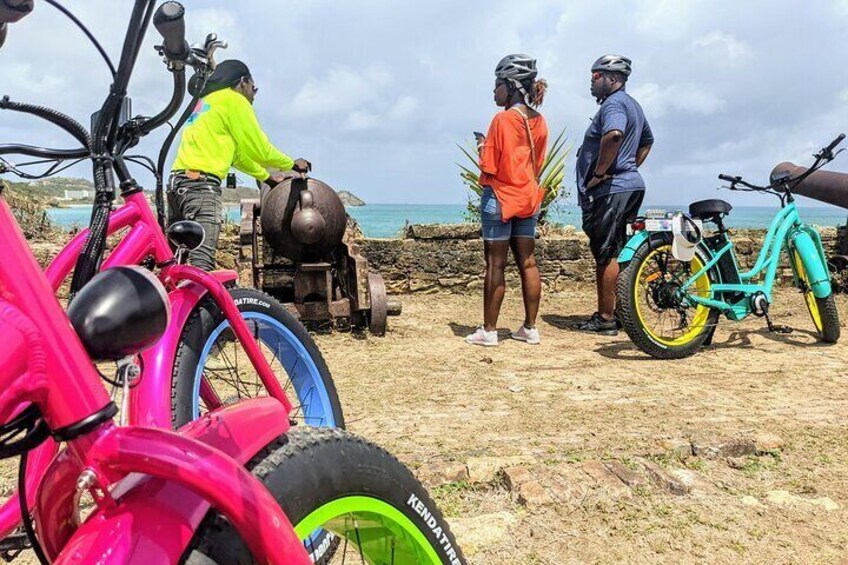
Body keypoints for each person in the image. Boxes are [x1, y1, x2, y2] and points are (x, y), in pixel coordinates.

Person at [168, 59, 311, 271]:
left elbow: (238, 155)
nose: (254, 95)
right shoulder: (234, 100)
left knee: (175, 257)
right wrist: (292, 163)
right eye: (254, 88)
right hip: (201, 188)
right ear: (243, 82)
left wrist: (267, 178)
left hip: (177, 185)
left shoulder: (208, 101)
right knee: (202, 262)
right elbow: (259, 149)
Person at [465, 54, 549, 347]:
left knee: (495, 265)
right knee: (528, 263)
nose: (494, 91)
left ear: (511, 86)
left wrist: (480, 145)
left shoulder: (501, 119)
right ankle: (530, 328)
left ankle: (488, 331)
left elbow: (490, 165)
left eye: (498, 84)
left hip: (500, 197)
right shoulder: (539, 121)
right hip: (528, 196)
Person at [573, 54, 653, 335]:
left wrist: (601, 173)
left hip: (612, 190)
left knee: (607, 253)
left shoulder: (615, 103)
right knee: (619, 251)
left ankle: (606, 318)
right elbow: (647, 141)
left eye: (596, 76)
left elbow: (614, 135)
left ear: (613, 78)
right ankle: (618, 311)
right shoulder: (634, 105)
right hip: (629, 186)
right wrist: (628, 168)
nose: (592, 81)